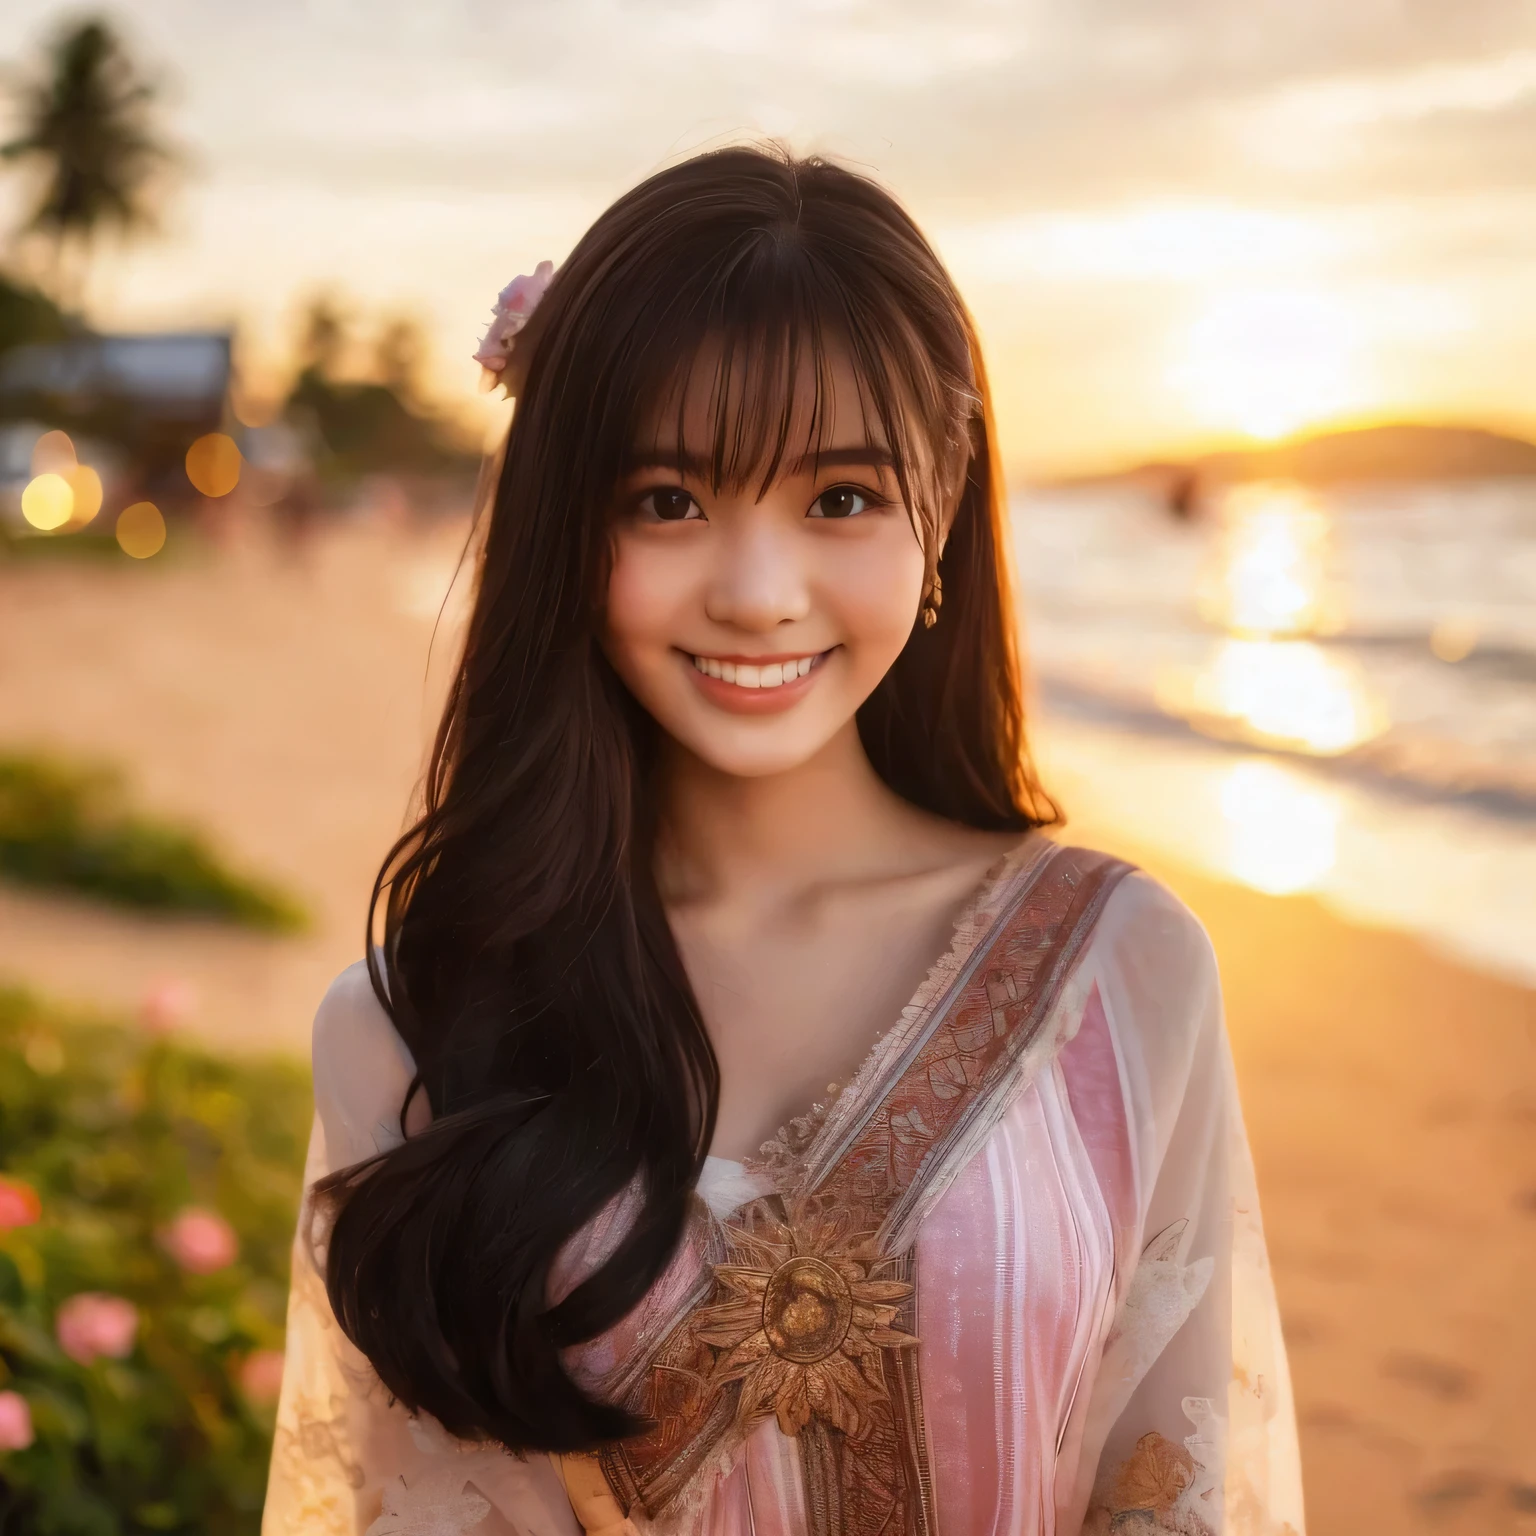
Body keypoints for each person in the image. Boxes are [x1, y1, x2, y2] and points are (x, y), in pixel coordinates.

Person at [261, 145, 1304, 1536]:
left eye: (843, 499)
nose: (759, 593)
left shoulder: (1122, 972)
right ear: (569, 531)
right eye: (671, 501)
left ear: (939, 518)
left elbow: (1177, 1496)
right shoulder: (414, 1027)